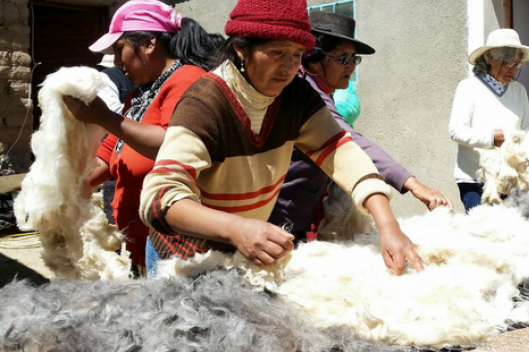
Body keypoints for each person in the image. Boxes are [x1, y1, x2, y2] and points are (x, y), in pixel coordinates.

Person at [139, 0, 422, 276]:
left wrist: (388, 226)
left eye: (297, 54)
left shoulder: (295, 96)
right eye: (277, 52)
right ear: (240, 48)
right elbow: (160, 198)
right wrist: (236, 228)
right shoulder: (205, 104)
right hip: (186, 258)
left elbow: (339, 150)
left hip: (242, 255)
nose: (288, 67)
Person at [268, 11, 452, 240]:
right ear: (313, 57)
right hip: (277, 220)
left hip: (298, 214)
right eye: (343, 58)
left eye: (354, 59)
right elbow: (348, 139)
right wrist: (412, 184)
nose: (351, 67)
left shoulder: (321, 90)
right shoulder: (307, 93)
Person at [63, 0, 217, 275]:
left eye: (120, 50)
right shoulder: (140, 94)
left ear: (149, 43)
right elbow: (110, 155)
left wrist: (104, 117)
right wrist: (63, 186)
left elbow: (175, 145)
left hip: (173, 247)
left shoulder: (188, 80)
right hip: (140, 242)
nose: (117, 62)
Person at [448, 28, 529, 212]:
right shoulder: (468, 88)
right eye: (508, 64)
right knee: (483, 231)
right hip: (476, 180)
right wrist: (491, 138)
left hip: (510, 180)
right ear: (491, 57)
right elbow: (456, 130)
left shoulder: (519, 91)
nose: (513, 70)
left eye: (517, 65)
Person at [95, 54, 136, 225]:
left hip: (119, 154)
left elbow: (113, 115)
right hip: (116, 151)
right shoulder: (109, 79)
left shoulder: (108, 78)